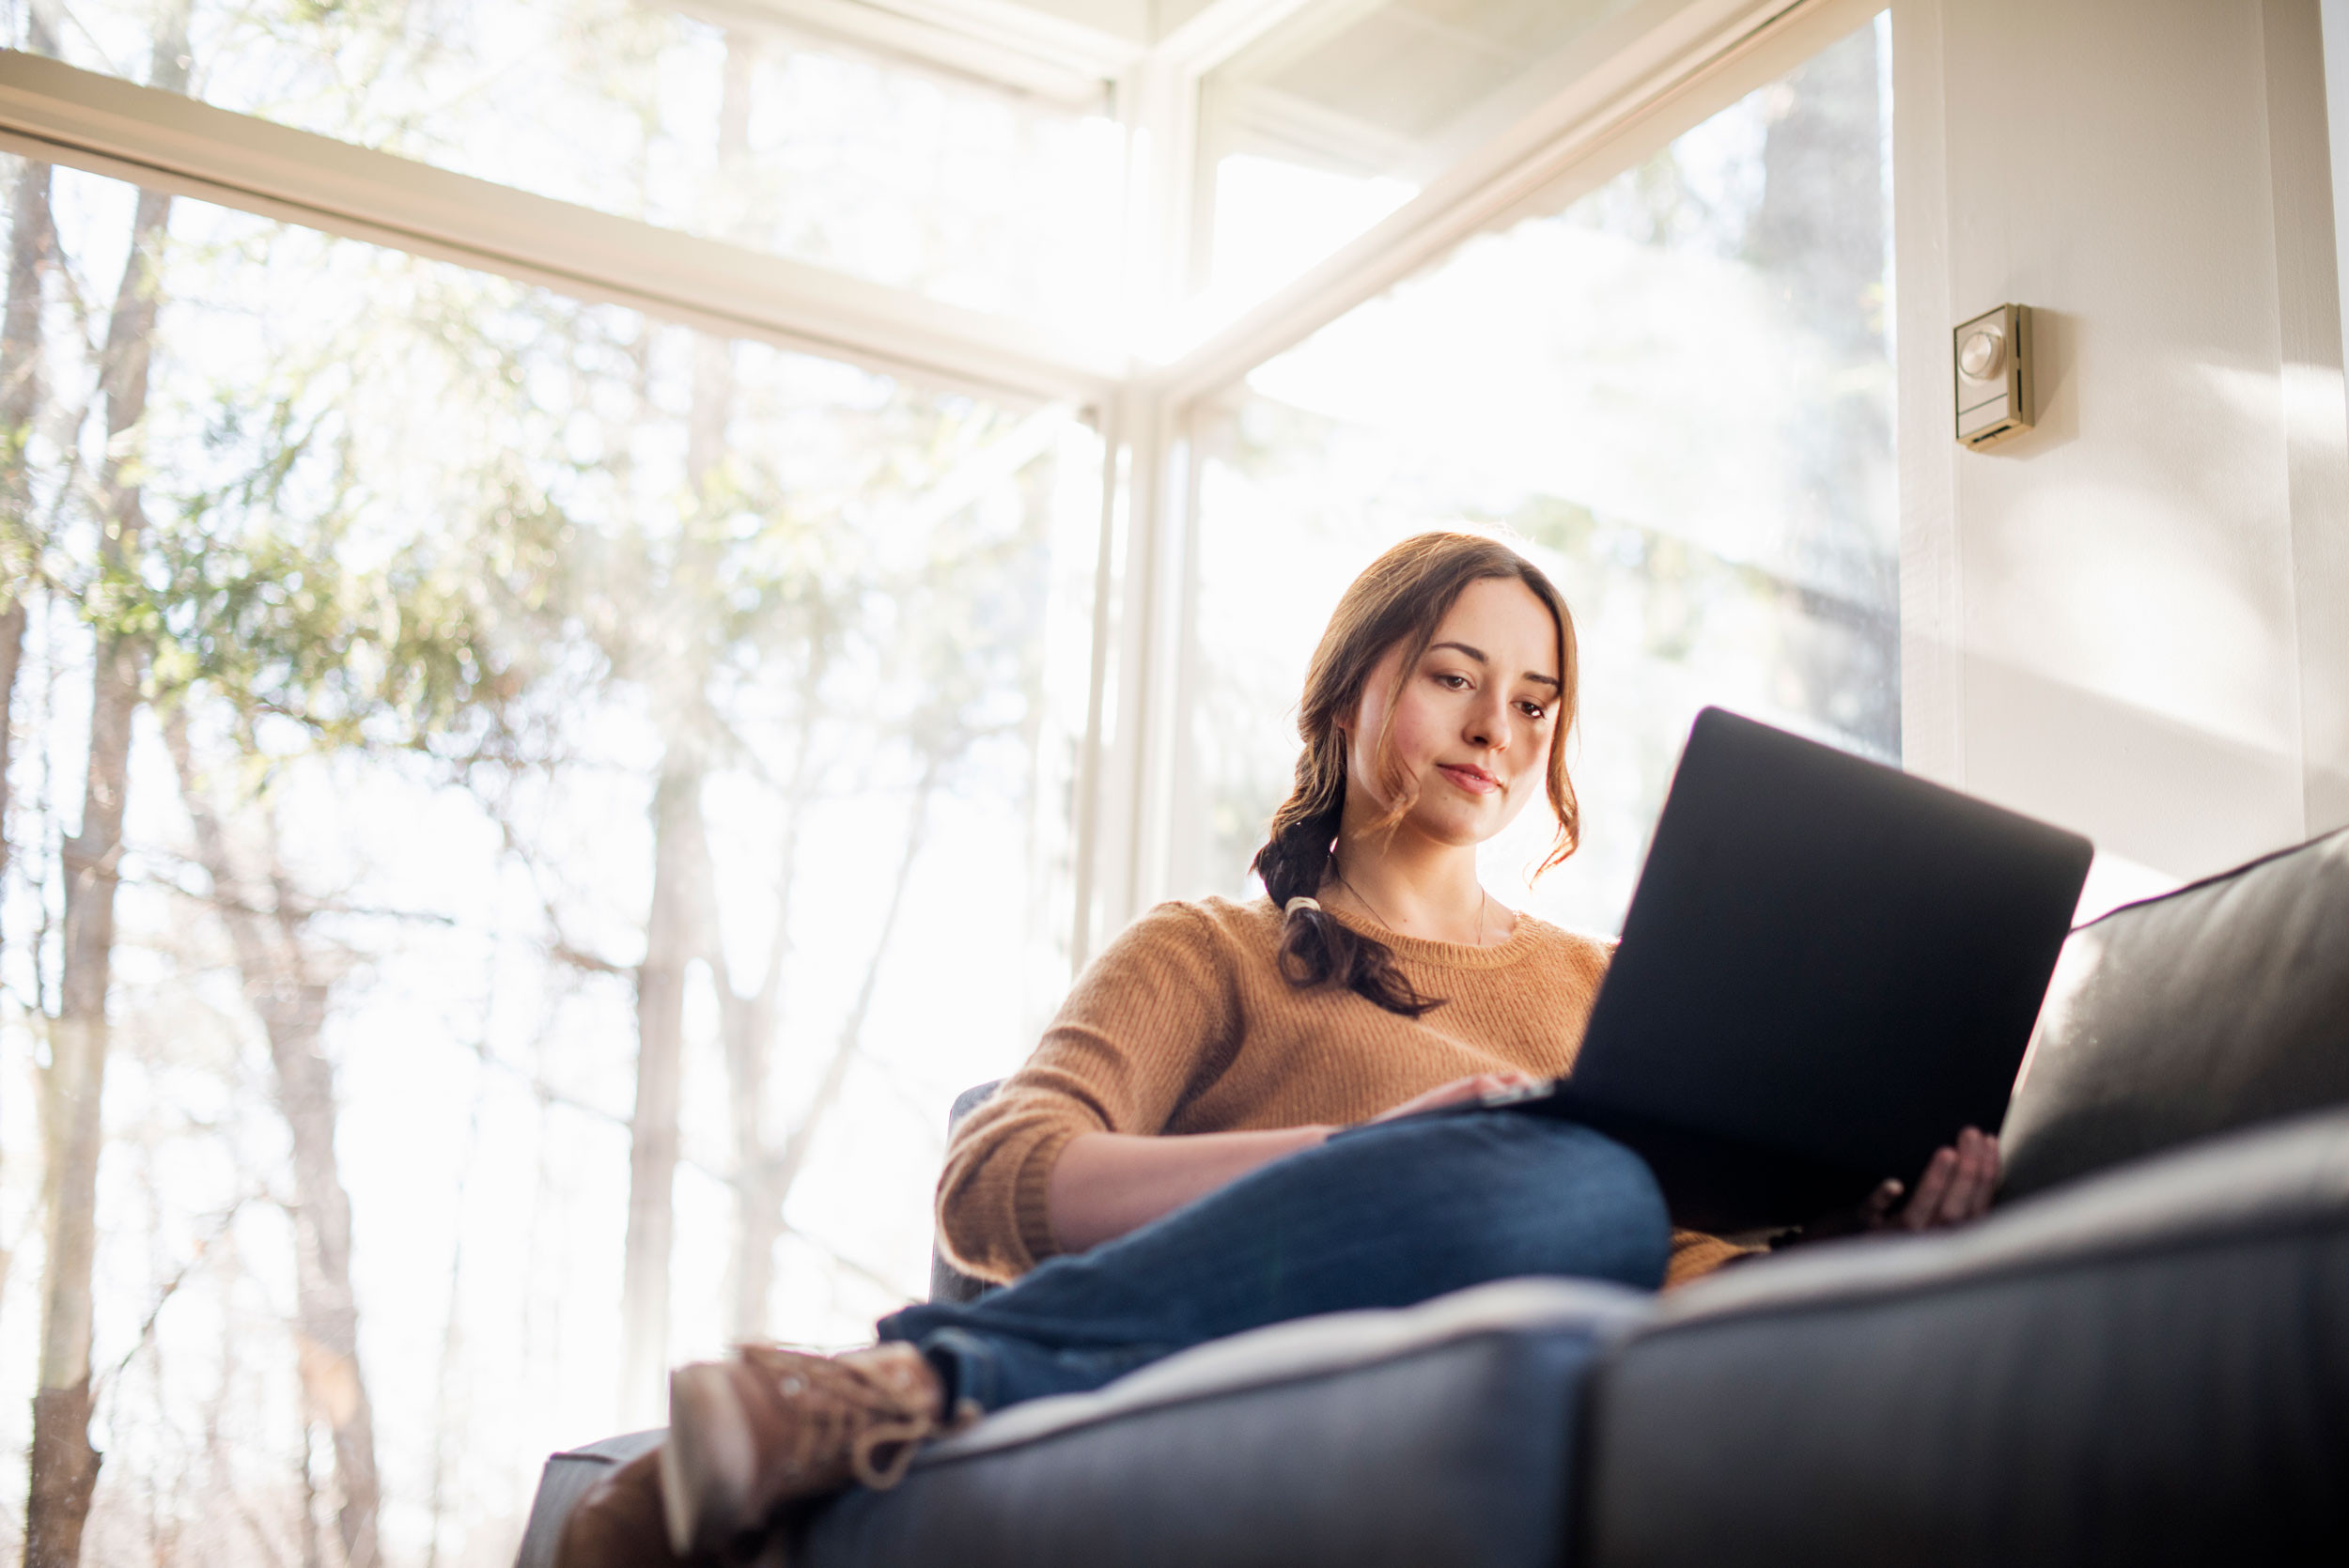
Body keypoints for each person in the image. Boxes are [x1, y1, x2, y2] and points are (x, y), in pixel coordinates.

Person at [558, 531, 2000, 1567]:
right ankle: (885, 1389)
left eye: (1537, 701)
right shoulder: (1212, 950)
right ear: (1350, 688)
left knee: (1610, 1205)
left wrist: (1860, 1240)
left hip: (1556, 1349)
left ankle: (870, 1396)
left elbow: (1673, 1275)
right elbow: (992, 1176)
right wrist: (1361, 1156)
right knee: (1583, 1188)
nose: (1499, 724)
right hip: (1283, 1340)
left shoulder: (1610, 988)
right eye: (1453, 675)